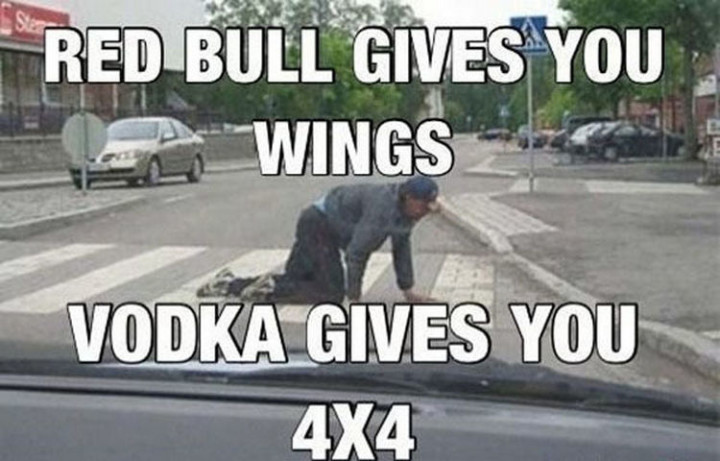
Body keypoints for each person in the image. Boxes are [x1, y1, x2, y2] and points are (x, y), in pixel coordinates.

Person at [197, 177, 441, 304]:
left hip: (321, 221)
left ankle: (227, 284)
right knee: (331, 293)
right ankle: (267, 289)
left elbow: (401, 247)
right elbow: (356, 254)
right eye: (423, 206)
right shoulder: (383, 209)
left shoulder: (406, 212)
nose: (425, 212)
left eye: (430, 207)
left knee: (297, 280)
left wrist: (408, 291)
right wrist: (355, 299)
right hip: (319, 225)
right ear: (408, 198)